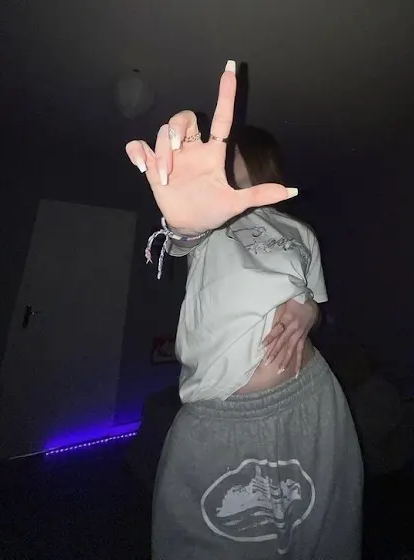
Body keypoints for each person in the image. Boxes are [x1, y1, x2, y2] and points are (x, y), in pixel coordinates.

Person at [126, 60, 363, 560]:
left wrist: (309, 312)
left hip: (312, 398)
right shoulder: (211, 225)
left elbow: (315, 305)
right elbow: (183, 237)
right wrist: (185, 224)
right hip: (220, 410)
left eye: (232, 154)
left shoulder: (301, 233)